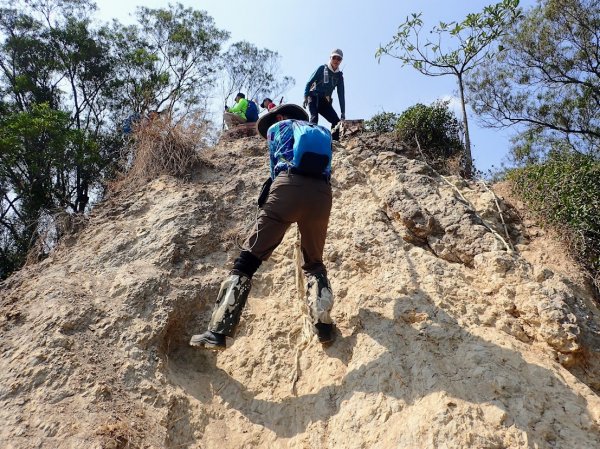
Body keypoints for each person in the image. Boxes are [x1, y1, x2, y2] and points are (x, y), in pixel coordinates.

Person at [190, 104, 335, 350]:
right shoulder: (318, 130)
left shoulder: (277, 128)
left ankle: (218, 331)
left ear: (278, 117)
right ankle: (323, 327)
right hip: (322, 194)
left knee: (248, 260)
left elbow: (273, 170)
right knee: (314, 264)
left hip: (288, 187)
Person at [303, 48, 346, 140]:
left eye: (339, 59)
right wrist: (305, 96)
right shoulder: (322, 68)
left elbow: (341, 94)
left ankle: (334, 142)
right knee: (314, 118)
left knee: (336, 121)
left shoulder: (339, 76)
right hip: (313, 97)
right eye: (334, 57)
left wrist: (343, 112)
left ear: (341, 61)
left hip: (324, 100)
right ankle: (310, 140)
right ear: (330, 58)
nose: (336, 60)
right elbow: (309, 83)